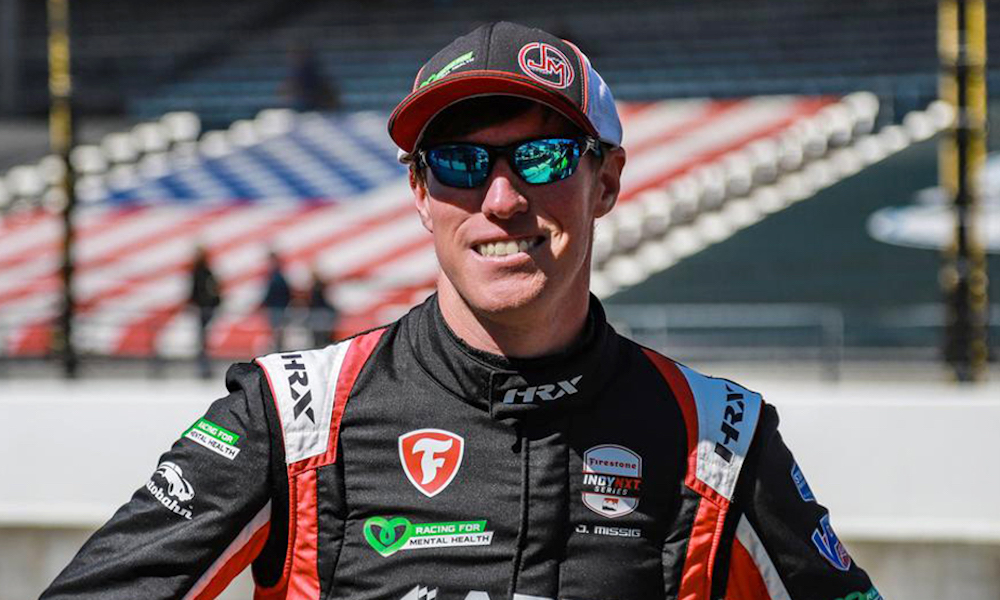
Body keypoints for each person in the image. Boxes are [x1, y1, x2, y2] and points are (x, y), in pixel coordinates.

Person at [42, 22, 881, 600]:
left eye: (543, 156)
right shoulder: (294, 416)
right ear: (419, 191)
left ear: (608, 181)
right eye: (458, 163)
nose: (502, 199)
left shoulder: (720, 437)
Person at [188, 246, 221, 379]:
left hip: (204, 308)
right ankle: (205, 368)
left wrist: (192, 302)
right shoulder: (207, 271)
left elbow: (195, 290)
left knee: (203, 341)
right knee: (204, 340)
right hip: (208, 307)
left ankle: (205, 369)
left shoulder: (199, 271)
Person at [260, 250, 291, 352]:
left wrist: (264, 303)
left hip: (277, 308)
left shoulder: (277, 276)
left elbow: (276, 293)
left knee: (277, 331)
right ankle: (278, 349)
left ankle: (278, 350)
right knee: (276, 331)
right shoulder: (276, 276)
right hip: (277, 307)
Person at [306, 268, 338, 347]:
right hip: (320, 313)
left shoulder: (317, 287)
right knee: (320, 333)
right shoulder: (318, 287)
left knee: (322, 333)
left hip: (320, 313)